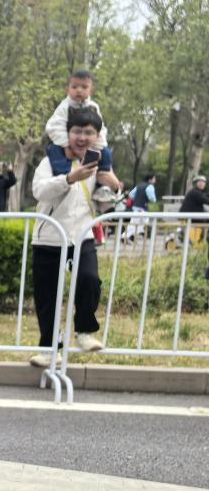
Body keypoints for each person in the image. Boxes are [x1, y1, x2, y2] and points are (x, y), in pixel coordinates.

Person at [29, 107, 109, 368]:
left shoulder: (99, 165)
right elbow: (39, 191)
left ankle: (84, 331)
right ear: (68, 133)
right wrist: (69, 178)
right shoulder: (50, 161)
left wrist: (114, 191)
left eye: (89, 132)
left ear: (97, 136)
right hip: (49, 237)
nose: (82, 137)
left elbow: (102, 201)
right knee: (47, 297)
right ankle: (49, 349)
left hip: (81, 236)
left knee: (89, 280)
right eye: (77, 131)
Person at [45, 70, 120, 191]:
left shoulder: (94, 107)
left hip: (89, 146)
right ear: (67, 89)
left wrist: (98, 145)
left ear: (91, 90)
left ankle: (103, 178)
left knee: (106, 152)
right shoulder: (64, 107)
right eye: (74, 87)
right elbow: (55, 127)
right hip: (66, 143)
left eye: (84, 87)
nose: (79, 90)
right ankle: (63, 175)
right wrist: (66, 145)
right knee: (53, 149)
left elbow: (100, 128)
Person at [125, 174, 157, 242]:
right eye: (154, 179)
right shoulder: (150, 186)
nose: (155, 180)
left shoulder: (139, 185)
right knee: (136, 223)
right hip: (142, 207)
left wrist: (137, 199)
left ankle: (131, 235)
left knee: (142, 223)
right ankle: (125, 236)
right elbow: (152, 198)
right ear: (150, 179)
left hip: (136, 206)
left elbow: (131, 195)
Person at [179, 175, 209, 244]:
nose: (202, 184)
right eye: (200, 182)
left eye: (203, 182)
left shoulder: (196, 191)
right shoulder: (195, 192)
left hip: (192, 215)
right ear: (196, 183)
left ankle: (202, 239)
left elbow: (205, 196)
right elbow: (206, 200)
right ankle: (202, 240)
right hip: (191, 216)